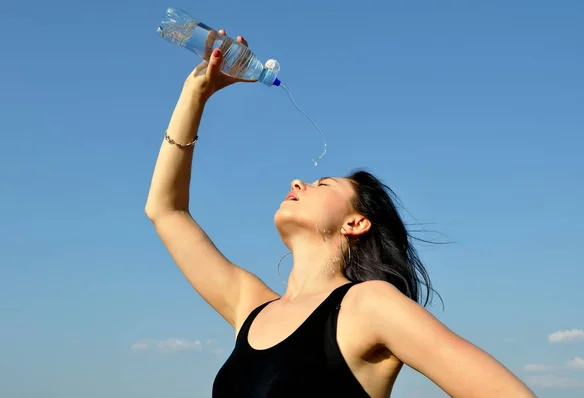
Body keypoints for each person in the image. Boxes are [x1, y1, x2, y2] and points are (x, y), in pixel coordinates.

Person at [145, 31, 536, 398]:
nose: (299, 182)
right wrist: (195, 93)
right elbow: (165, 210)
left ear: (355, 223)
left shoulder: (370, 305)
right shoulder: (248, 304)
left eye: (324, 184)